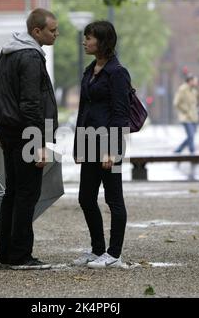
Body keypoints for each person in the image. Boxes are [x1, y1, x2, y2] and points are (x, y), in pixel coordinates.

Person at [0, 8, 59, 270]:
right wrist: (39, 143)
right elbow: (31, 104)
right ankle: (20, 256)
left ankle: (5, 254)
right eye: (52, 31)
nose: (56, 35)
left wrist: (2, 129)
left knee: (12, 193)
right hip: (26, 134)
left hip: (10, 131)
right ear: (36, 31)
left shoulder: (8, 53)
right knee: (27, 195)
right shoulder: (30, 56)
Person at [72, 21, 130, 269]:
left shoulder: (117, 73)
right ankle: (97, 250)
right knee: (85, 197)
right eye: (85, 37)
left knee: (114, 199)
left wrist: (113, 149)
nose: (84, 41)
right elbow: (83, 108)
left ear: (103, 41)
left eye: (89, 38)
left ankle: (114, 253)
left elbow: (120, 113)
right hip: (88, 141)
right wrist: (78, 145)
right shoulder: (90, 70)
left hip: (108, 143)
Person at [173, 75, 199, 154]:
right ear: (190, 81)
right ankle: (191, 151)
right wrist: (186, 111)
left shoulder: (193, 90)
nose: (196, 82)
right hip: (186, 117)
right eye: (195, 81)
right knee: (191, 135)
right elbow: (176, 103)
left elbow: (198, 98)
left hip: (194, 117)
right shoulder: (182, 89)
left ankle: (181, 149)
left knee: (191, 136)